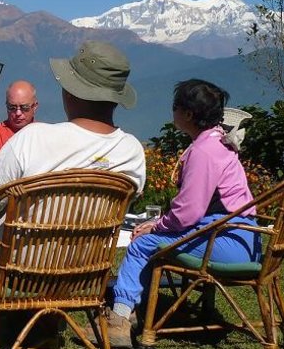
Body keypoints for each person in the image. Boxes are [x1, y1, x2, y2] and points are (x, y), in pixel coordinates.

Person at [0, 41, 146, 326]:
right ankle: (36, 329)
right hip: (83, 272)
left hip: (17, 271)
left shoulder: (33, 138)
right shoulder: (132, 151)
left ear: (69, 92)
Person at [98, 79, 260, 348]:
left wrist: (156, 226)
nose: (172, 111)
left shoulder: (204, 151)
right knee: (152, 239)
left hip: (226, 242)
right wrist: (161, 223)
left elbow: (189, 212)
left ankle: (120, 318)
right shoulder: (219, 142)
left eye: (175, 106)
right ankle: (134, 311)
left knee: (142, 244)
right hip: (245, 239)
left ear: (188, 114)